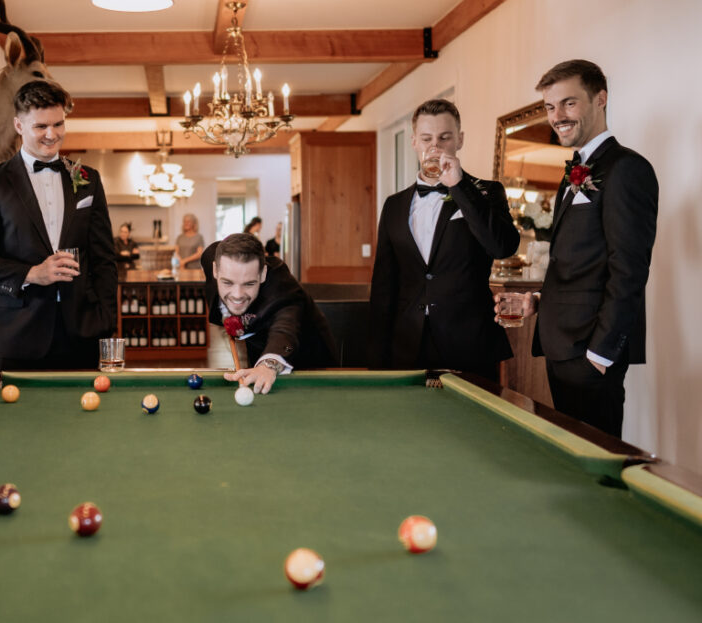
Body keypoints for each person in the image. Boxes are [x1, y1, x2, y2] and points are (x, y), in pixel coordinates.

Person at [497, 60, 658, 437]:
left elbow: (629, 269)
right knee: (572, 457)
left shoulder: (627, 169)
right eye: (551, 107)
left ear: (600, 99)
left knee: (595, 459)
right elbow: (581, 263)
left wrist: (601, 354)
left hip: (590, 352)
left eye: (569, 103)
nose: (558, 116)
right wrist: (537, 299)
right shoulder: (574, 170)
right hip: (561, 345)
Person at [369, 99, 519, 381]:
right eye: (426, 138)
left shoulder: (487, 192)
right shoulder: (394, 205)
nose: (434, 147)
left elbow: (503, 246)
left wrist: (459, 186)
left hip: (469, 344)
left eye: (444, 137)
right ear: (414, 141)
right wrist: (377, 359)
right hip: (406, 346)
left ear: (459, 140)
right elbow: (384, 284)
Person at [0, 80, 117, 370]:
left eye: (58, 124)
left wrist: (105, 321)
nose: (52, 135)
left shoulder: (89, 179)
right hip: (17, 333)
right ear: (18, 125)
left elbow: (104, 258)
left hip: (82, 332)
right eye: (41, 126)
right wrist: (32, 273)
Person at [202, 233, 337, 394]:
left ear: (263, 274)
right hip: (259, 356)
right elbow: (211, 251)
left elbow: (286, 332)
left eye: (249, 283)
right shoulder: (215, 260)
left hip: (310, 365)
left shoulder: (282, 291)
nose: (237, 294)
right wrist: (228, 316)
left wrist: (269, 364)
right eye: (228, 282)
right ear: (215, 270)